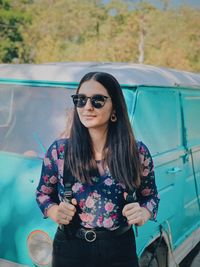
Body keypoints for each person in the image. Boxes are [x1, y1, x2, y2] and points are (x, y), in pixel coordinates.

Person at [36, 72, 160, 267]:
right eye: (81, 100)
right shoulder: (60, 151)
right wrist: (54, 211)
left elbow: (151, 197)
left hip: (119, 249)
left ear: (114, 108)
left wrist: (144, 213)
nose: (88, 107)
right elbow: (43, 194)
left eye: (98, 100)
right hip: (70, 249)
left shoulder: (137, 152)